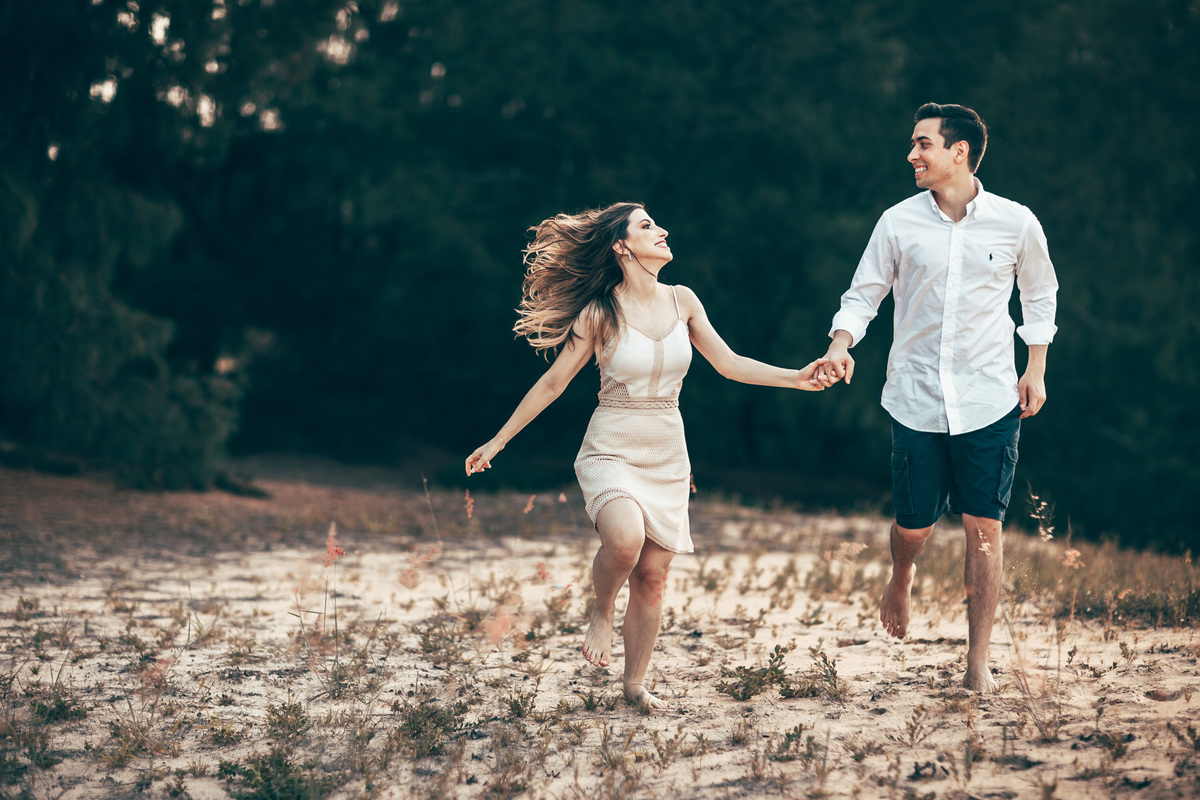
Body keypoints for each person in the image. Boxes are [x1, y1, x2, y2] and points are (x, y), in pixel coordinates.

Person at [467, 202, 829, 710]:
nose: (661, 231)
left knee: (653, 576)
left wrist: (796, 376)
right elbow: (553, 382)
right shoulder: (599, 312)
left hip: (667, 452)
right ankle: (600, 610)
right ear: (621, 246)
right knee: (625, 541)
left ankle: (634, 683)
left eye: (656, 224)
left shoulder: (683, 300)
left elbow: (728, 364)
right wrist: (498, 440)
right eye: (646, 226)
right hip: (611, 446)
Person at [819, 103, 1059, 692]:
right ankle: (902, 573)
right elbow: (864, 293)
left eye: (922, 144)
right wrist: (841, 344)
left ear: (960, 151)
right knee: (915, 526)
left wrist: (1036, 368)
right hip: (916, 395)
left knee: (985, 530)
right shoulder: (898, 222)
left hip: (990, 396)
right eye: (913, 143)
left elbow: (1041, 296)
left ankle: (977, 662)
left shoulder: (1016, 222)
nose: (912, 155)